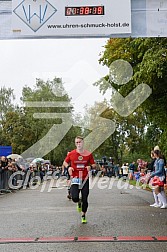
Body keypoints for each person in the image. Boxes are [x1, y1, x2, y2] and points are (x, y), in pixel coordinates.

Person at [63, 136, 96, 224]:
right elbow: (65, 162)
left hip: (85, 179)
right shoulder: (71, 154)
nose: (78, 144)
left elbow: (94, 165)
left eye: (80, 142)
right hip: (75, 179)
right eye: (77, 142)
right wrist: (69, 167)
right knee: (74, 198)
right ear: (75, 143)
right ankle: (78, 202)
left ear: (83, 143)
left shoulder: (88, 154)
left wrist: (90, 166)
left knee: (85, 198)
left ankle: (83, 215)